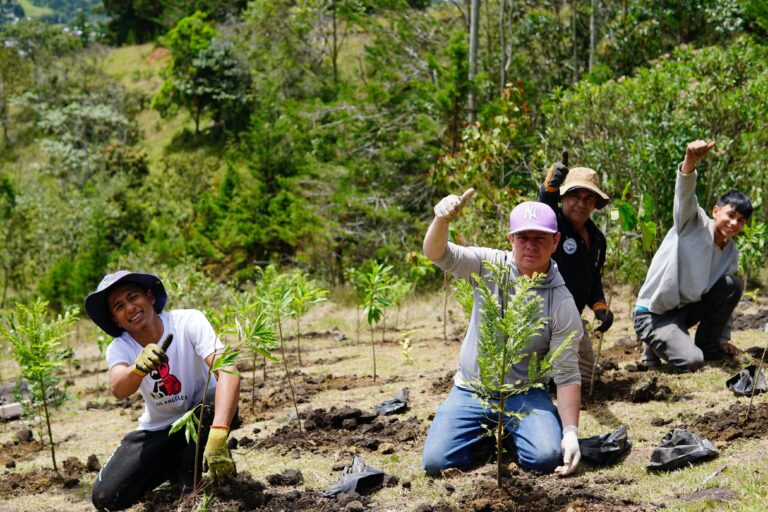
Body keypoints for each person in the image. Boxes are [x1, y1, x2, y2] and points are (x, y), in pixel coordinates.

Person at [422, 192, 583, 477]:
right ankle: (486, 435)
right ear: (511, 239)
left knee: (546, 457)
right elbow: (437, 254)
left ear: (556, 241)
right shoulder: (488, 266)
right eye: (523, 238)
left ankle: (512, 433)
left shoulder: (561, 302)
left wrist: (570, 432)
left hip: (526, 393)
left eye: (540, 239)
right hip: (472, 389)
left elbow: (567, 373)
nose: (530, 246)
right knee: (436, 463)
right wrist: (441, 219)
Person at [85, 271, 240, 511]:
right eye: (119, 306)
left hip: (201, 416)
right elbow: (118, 388)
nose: (129, 307)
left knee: (211, 399)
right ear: (115, 320)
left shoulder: (188, 321)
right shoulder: (120, 347)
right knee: (106, 497)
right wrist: (137, 369)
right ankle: (174, 467)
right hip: (159, 430)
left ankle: (192, 476)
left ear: (150, 297)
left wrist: (219, 433)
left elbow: (228, 370)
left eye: (133, 297)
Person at [633, 140, 752, 371]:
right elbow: (685, 193)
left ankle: (708, 344)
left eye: (741, 220)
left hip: (684, 311)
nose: (734, 223)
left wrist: (723, 339)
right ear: (716, 211)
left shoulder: (730, 252)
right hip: (653, 312)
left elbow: (723, 304)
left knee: (732, 285)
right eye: (731, 215)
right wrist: (690, 161)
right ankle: (655, 342)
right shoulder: (692, 222)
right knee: (692, 361)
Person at [539, 161, 612, 386]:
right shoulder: (552, 224)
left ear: (595, 204)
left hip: (572, 318)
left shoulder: (597, 238)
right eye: (574, 196)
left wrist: (599, 305)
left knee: (586, 377)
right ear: (562, 198)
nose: (581, 204)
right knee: (542, 375)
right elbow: (542, 210)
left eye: (588, 198)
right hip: (542, 315)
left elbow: (592, 277)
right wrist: (548, 189)